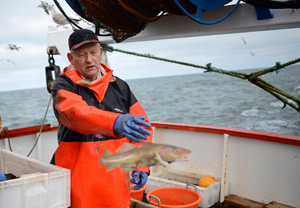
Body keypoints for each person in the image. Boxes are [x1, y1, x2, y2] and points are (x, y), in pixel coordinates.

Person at [50, 29, 153, 208]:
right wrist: (114, 122)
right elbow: (75, 114)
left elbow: (142, 128)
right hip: (75, 185)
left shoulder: (120, 87)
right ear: (70, 58)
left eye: (93, 52)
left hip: (115, 184)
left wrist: (142, 164)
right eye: (81, 55)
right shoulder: (63, 85)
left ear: (101, 52)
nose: (89, 59)